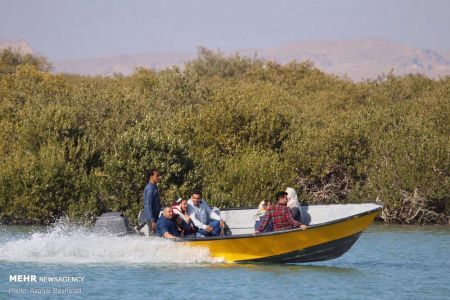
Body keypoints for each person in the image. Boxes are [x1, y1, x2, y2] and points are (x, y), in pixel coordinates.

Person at [143, 169, 161, 235]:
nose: (159, 177)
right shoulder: (150, 188)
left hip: (155, 217)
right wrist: (152, 220)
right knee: (153, 236)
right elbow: (148, 205)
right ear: (151, 177)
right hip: (152, 218)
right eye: (157, 176)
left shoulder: (154, 187)